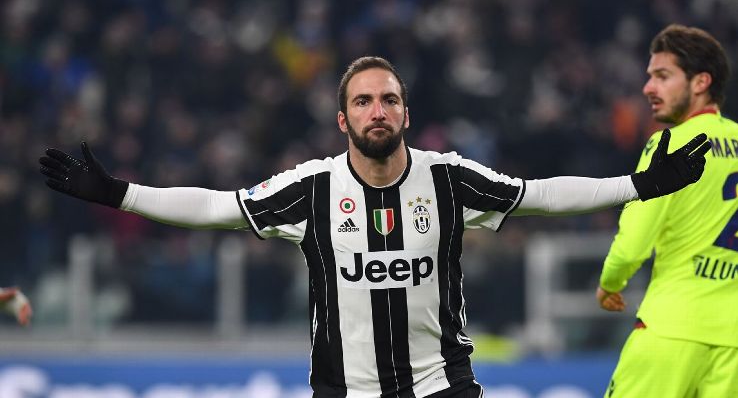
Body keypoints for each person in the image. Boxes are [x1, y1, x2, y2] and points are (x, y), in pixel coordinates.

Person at [39, 56, 710, 398]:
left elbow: (542, 195)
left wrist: (640, 184)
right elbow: (218, 206)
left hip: (442, 384)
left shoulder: (449, 179)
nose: (377, 109)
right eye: (363, 101)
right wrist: (118, 194)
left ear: (406, 113)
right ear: (344, 121)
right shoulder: (312, 188)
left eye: (389, 98)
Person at [597, 24, 738, 398]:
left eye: (662, 76)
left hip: (671, 330)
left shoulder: (671, 145)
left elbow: (632, 243)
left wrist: (611, 282)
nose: (648, 88)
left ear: (700, 82)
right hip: (733, 345)